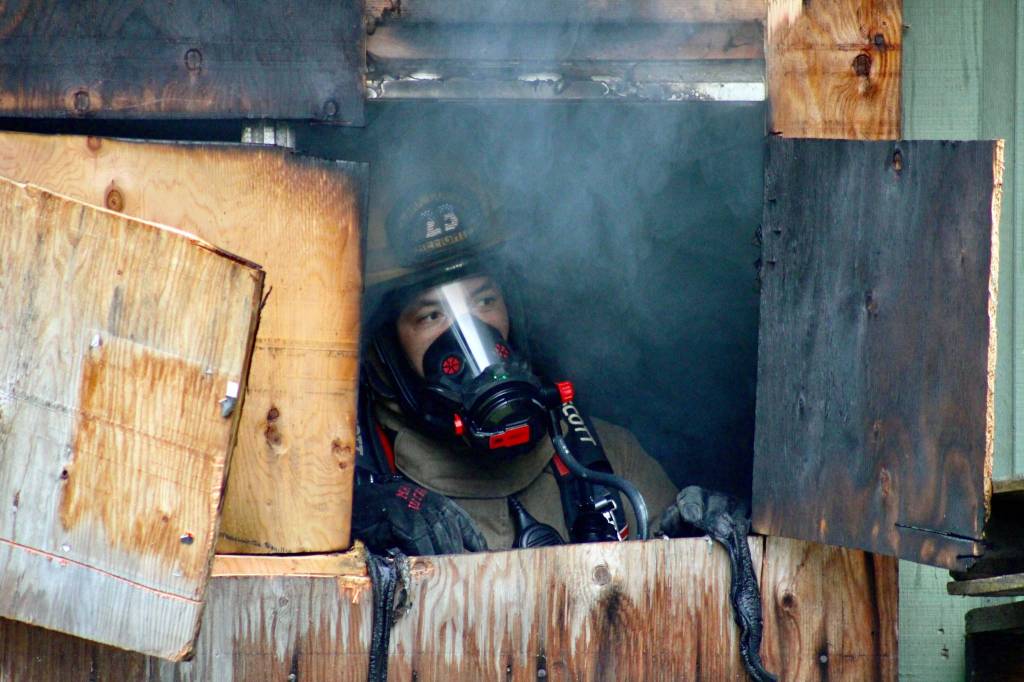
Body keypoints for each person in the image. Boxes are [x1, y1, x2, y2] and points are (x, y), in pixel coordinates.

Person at [351, 184, 740, 556]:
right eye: (432, 315)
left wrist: (700, 543)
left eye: (484, 300)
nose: (472, 339)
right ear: (384, 353)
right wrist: (355, 524)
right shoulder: (346, 485)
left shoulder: (603, 459)